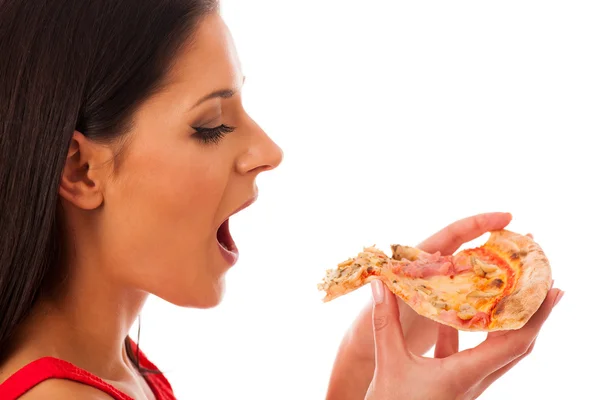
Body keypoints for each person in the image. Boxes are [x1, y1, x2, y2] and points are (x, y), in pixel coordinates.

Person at [0, 1, 562, 399]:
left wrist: (357, 371)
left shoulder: (115, 367)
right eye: (212, 125)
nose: (269, 150)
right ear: (80, 169)